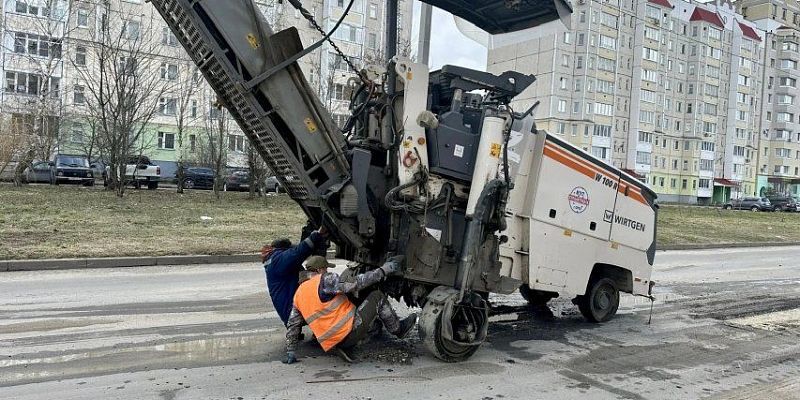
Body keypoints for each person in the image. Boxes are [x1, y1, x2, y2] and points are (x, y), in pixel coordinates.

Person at [283, 255, 417, 364]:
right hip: (348, 334)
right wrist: (383, 270)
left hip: (331, 344)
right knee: (377, 297)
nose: (327, 271)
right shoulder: (324, 279)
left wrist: (291, 351)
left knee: (350, 300)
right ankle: (398, 329)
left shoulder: (298, 295)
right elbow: (355, 284)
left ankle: (349, 344)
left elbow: (293, 325)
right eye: (326, 269)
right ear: (319, 271)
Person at [261, 228, 327, 326]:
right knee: (329, 305)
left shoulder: (275, 262)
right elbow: (297, 253)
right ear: (283, 250)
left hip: (289, 312)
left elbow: (299, 258)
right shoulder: (279, 260)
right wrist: (316, 236)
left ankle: (295, 332)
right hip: (292, 313)